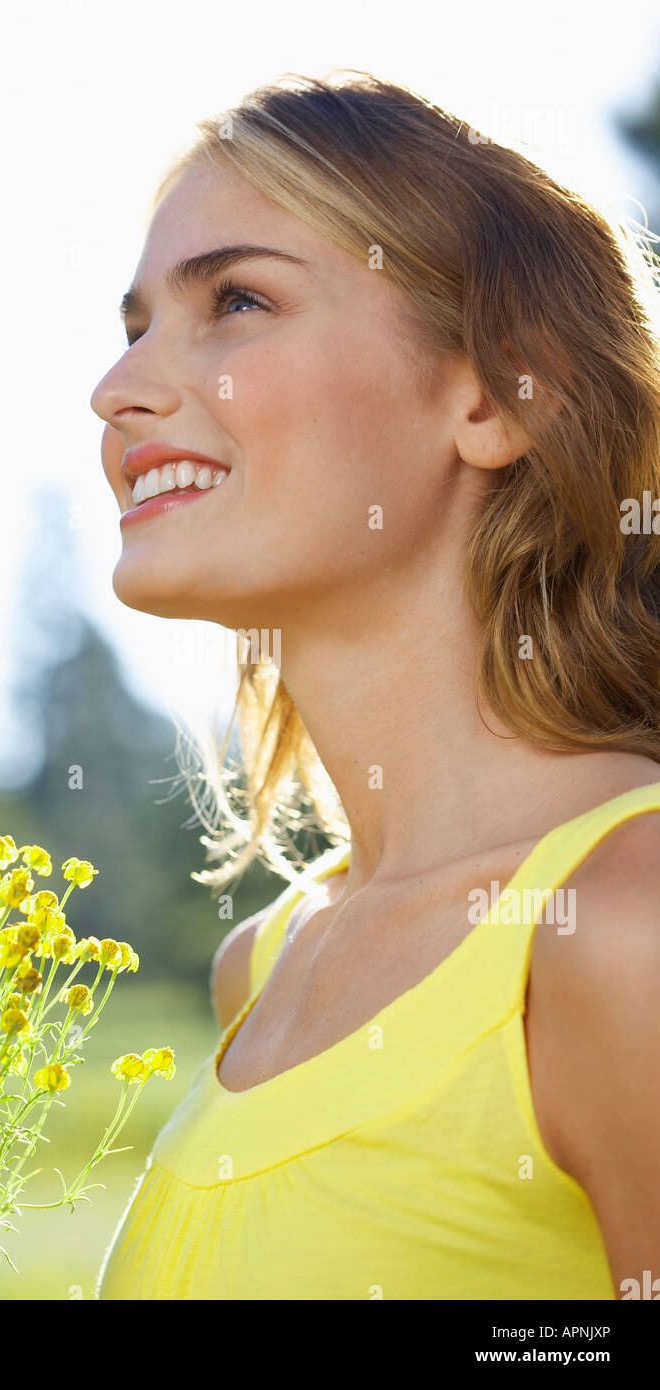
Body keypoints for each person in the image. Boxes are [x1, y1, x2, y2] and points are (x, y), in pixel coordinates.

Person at [89, 72, 660, 1299]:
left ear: (495, 396)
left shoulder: (625, 928)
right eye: (134, 324)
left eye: (236, 300)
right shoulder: (264, 963)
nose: (118, 388)